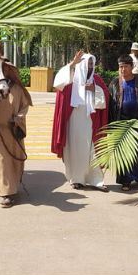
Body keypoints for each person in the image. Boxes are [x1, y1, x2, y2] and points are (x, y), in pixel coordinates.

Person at [51, 51, 110, 192]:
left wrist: (94, 89)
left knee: (93, 149)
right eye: (87, 63)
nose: (90, 66)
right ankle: (76, 179)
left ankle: (96, 180)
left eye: (92, 63)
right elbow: (58, 83)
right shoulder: (72, 78)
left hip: (91, 121)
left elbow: (106, 97)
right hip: (73, 120)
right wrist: (72, 64)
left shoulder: (96, 80)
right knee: (74, 150)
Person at [0, 67, 32, 208]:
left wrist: (19, 117)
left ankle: (12, 187)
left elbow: (24, 107)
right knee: (1, 160)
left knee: (14, 160)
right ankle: (6, 193)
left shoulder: (18, 89)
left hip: (14, 129)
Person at [108, 55, 138, 191]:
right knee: (124, 153)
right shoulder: (114, 83)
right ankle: (125, 181)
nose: (122, 69)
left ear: (132, 67)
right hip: (121, 123)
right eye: (120, 67)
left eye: (125, 66)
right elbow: (110, 106)